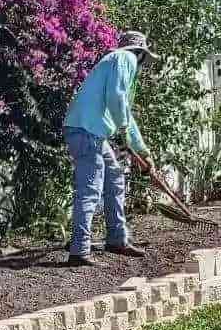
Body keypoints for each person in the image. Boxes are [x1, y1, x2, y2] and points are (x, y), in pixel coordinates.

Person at [62, 30, 156, 267]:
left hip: (91, 131)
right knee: (90, 189)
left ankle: (116, 238)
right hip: (85, 132)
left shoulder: (115, 63)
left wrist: (143, 152)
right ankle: (79, 251)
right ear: (140, 54)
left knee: (114, 177)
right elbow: (116, 98)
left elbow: (125, 113)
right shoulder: (124, 59)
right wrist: (124, 133)